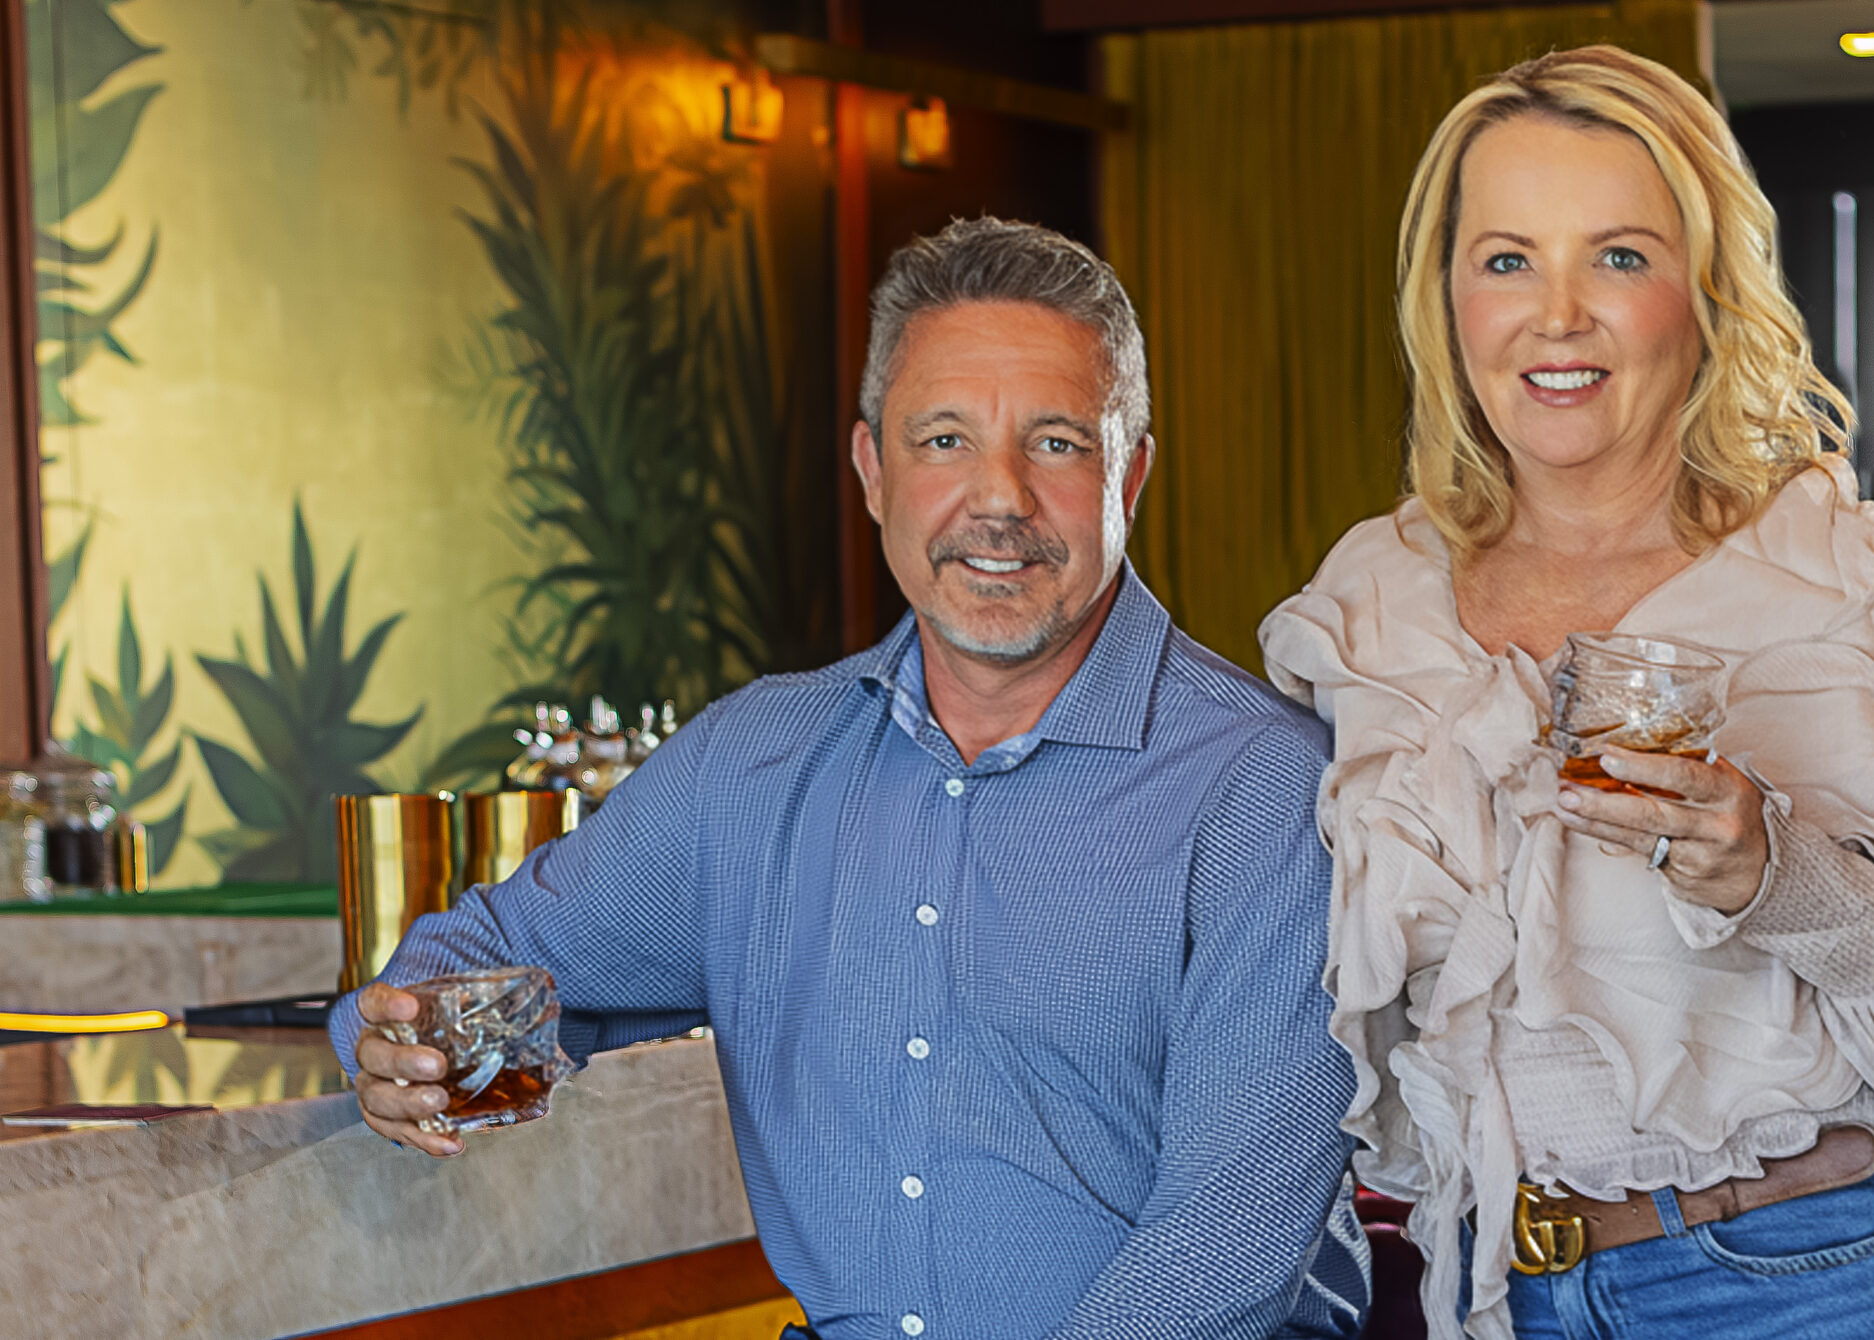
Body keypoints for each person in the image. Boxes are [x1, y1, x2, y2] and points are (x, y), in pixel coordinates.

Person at [1260, 46, 1874, 1340]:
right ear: (1446, 295)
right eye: (1507, 258)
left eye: (1619, 256)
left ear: (1704, 291)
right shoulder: (1374, 601)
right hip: (1501, 1296)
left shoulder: (1853, 583)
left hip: (1821, 1281)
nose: (1557, 314)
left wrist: (1777, 876)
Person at [332, 218, 1368, 1340]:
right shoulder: (750, 766)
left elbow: (1225, 1247)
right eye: (945, 439)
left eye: (1058, 442)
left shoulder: (1269, 790)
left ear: (1132, 472)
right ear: (874, 471)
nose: (1000, 497)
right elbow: (481, 962)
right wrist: (402, 1052)